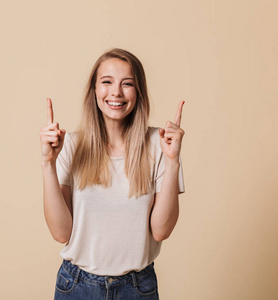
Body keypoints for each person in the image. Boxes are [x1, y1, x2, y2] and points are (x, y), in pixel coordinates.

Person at [40, 48, 185, 300]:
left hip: (137, 288)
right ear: (94, 90)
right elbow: (61, 233)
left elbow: (160, 231)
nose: (116, 92)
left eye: (127, 83)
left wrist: (173, 163)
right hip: (76, 286)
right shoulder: (70, 146)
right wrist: (47, 164)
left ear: (138, 92)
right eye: (106, 82)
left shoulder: (159, 143)